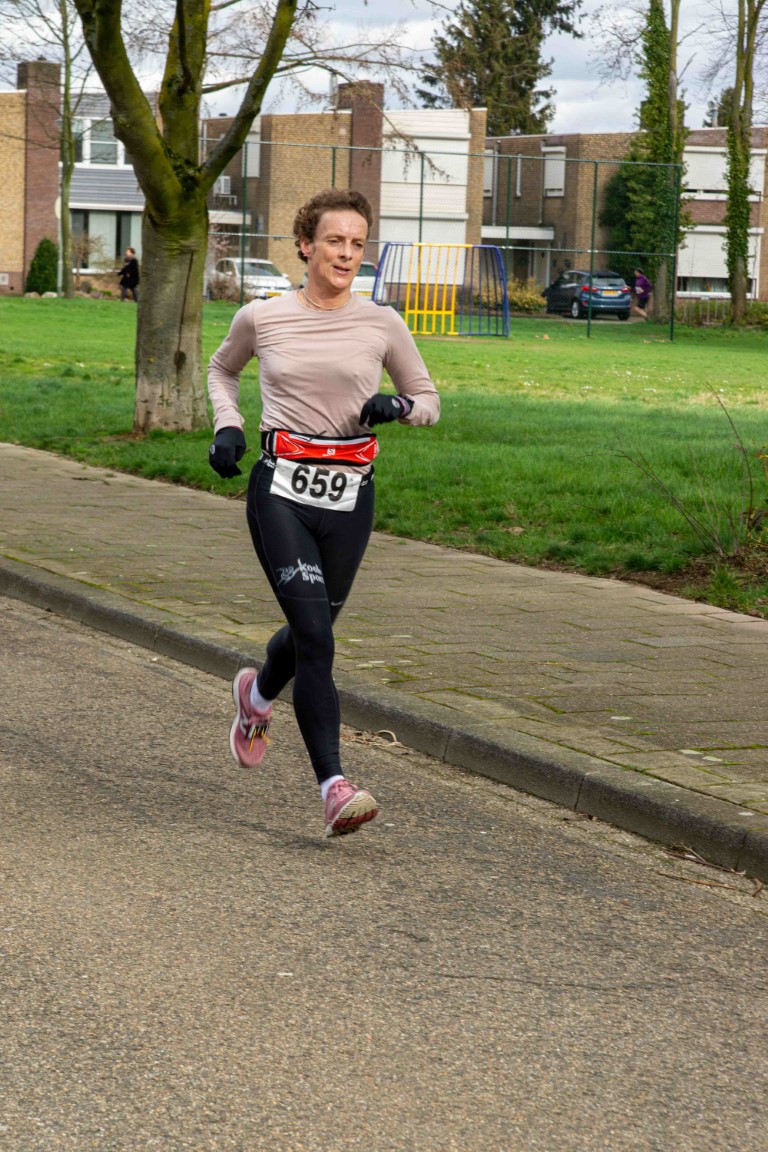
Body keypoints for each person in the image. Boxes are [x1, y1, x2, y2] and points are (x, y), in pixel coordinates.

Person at [207, 189, 440, 837]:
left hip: (350, 496)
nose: (346, 254)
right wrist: (228, 425)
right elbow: (222, 371)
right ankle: (334, 787)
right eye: (335, 240)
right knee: (316, 637)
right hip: (280, 488)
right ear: (306, 244)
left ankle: (256, 696)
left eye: (357, 244)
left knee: (313, 630)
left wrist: (399, 407)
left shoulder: (382, 323)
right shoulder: (262, 316)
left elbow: (427, 399)